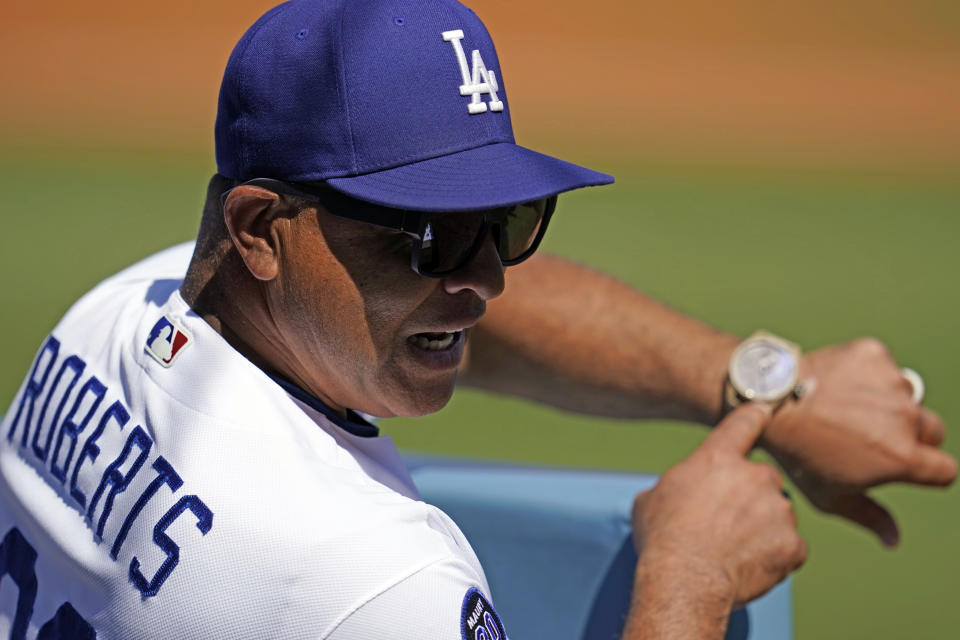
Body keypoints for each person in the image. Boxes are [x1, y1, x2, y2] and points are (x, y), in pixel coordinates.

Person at [0, 0, 954, 638]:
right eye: (428, 238)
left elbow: (469, 307)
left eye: (500, 224)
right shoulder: (376, 580)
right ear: (261, 229)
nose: (488, 280)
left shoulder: (119, 315)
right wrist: (688, 581)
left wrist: (767, 388)